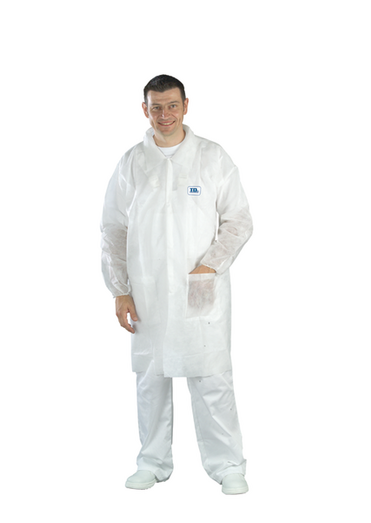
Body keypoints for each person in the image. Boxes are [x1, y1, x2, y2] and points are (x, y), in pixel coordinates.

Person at [100, 75, 253, 494]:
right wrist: (120, 289)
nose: (164, 115)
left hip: (200, 289)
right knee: (151, 378)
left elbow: (239, 220)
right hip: (146, 292)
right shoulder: (132, 162)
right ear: (144, 110)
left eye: (171, 105)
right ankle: (152, 461)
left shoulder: (212, 157)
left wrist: (210, 267)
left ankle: (227, 465)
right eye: (156, 107)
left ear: (186, 105)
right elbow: (113, 229)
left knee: (211, 378)